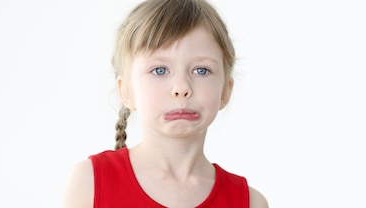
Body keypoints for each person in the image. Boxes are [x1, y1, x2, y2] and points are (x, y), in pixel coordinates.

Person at [61, 0, 269, 207]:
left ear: (225, 90)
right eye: (159, 70)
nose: (181, 87)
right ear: (126, 91)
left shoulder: (250, 202)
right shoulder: (89, 182)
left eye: (201, 70)